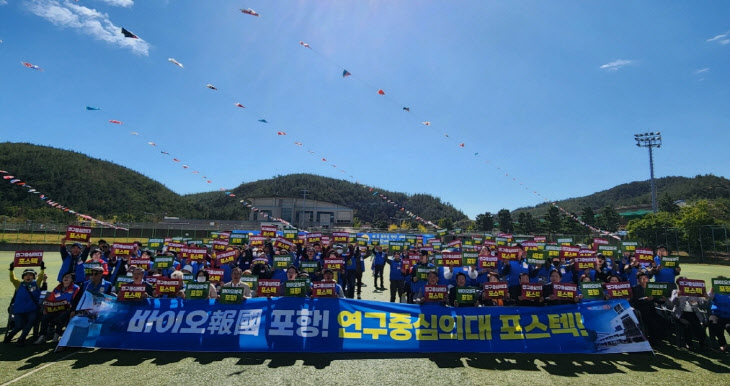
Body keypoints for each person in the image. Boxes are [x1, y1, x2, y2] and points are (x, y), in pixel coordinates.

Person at [5, 262, 46, 346]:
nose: (28, 276)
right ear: (23, 277)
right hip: (19, 309)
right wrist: (11, 270)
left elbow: (41, 277)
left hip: (32, 309)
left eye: (30, 275)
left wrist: (42, 269)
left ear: (34, 277)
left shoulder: (36, 284)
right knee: (19, 326)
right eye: (26, 275)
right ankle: (10, 335)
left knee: (30, 323)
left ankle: (22, 338)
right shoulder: (19, 284)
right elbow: (12, 278)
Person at [35, 272, 80, 344]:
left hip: (68, 309)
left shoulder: (76, 288)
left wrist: (71, 308)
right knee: (45, 317)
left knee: (61, 317)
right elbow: (50, 299)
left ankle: (56, 336)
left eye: (68, 277)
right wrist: (46, 308)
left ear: (72, 280)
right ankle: (42, 336)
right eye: (65, 276)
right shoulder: (57, 288)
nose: (66, 278)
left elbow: (76, 300)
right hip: (56, 309)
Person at [669, 277, 709, 351]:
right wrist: (678, 295)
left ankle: (703, 344)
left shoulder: (694, 291)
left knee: (699, 326)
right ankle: (689, 344)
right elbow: (672, 303)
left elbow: (702, 304)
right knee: (687, 325)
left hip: (693, 313)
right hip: (680, 314)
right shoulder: (675, 291)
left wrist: (705, 298)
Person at [631, 272, 667, 345]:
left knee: (662, 320)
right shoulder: (634, 289)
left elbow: (657, 300)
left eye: (646, 278)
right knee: (652, 322)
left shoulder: (652, 287)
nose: (645, 280)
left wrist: (662, 300)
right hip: (641, 311)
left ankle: (660, 338)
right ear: (638, 280)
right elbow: (634, 301)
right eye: (642, 279)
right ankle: (653, 340)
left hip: (652, 310)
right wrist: (645, 299)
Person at [708, 276, 730, 352]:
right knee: (715, 324)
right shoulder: (715, 291)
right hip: (716, 313)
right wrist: (711, 292)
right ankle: (723, 344)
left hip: (728, 315)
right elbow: (707, 298)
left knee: (728, 326)